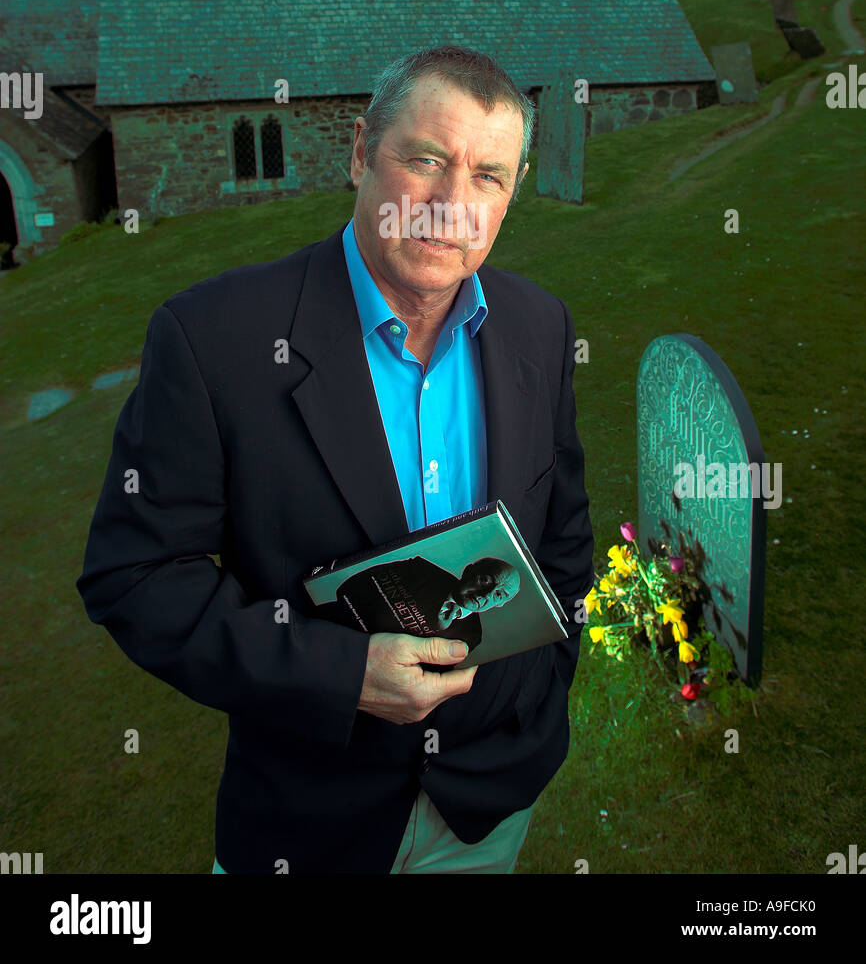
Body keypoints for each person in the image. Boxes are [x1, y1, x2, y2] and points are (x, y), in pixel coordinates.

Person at [76, 44, 595, 875]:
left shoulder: (541, 327)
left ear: (512, 192)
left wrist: (543, 689)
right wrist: (339, 672)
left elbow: (564, 538)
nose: (451, 208)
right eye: (427, 161)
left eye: (488, 178)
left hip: (488, 806)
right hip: (310, 819)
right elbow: (135, 575)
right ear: (360, 151)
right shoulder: (215, 341)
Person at [316, 555, 521, 655]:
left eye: (499, 594)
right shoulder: (422, 568)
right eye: (486, 580)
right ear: (468, 571)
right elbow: (355, 584)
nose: (486, 594)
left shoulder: (472, 636)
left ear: (500, 604)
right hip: (324, 626)